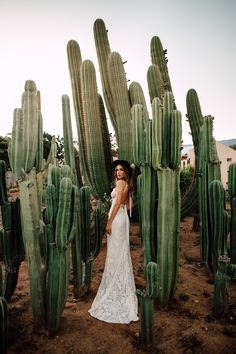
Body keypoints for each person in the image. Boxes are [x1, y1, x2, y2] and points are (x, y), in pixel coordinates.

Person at [88, 160, 139, 324]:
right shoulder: (127, 185)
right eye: (116, 170)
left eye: (121, 170)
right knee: (119, 251)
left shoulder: (121, 183)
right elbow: (127, 204)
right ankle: (119, 284)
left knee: (116, 252)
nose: (118, 172)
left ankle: (115, 286)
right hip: (122, 217)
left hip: (117, 218)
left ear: (125, 172)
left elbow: (117, 203)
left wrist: (109, 222)